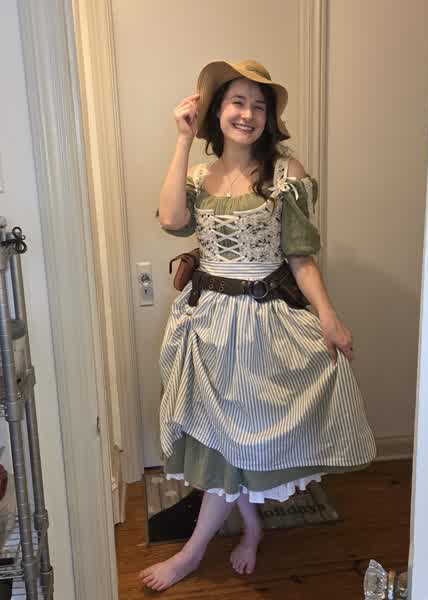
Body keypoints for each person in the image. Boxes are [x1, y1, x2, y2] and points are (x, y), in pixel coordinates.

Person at [139, 59, 377, 592]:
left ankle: (193, 552)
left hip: (260, 327)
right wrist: (182, 140)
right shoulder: (197, 177)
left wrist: (330, 318)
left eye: (259, 106)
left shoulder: (285, 174)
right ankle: (249, 527)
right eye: (237, 102)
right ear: (217, 111)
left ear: (269, 118)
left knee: (243, 438)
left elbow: (301, 257)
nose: (247, 114)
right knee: (222, 440)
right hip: (206, 324)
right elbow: (173, 220)